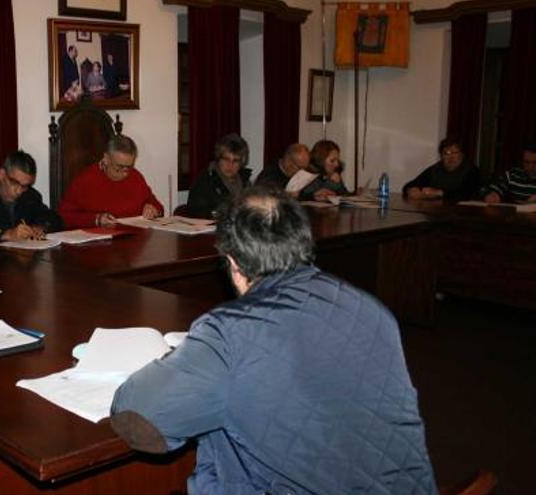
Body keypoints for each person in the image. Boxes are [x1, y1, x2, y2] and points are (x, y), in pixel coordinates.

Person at [110, 187, 437, 495]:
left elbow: (138, 417)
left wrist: (182, 359)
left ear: (234, 264)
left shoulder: (229, 333)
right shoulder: (371, 308)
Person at [59, 134, 164, 228]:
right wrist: (96, 220)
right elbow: (64, 217)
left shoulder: (135, 176)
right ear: (106, 159)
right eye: (119, 167)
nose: (125, 173)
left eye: (129, 167)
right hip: (99, 243)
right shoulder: (85, 180)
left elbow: (158, 206)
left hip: (134, 239)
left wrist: (152, 209)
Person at [186, 133, 252, 219]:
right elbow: (195, 212)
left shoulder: (245, 182)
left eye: (235, 161)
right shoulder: (205, 180)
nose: (230, 165)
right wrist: (221, 213)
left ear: (241, 163)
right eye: (226, 159)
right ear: (219, 158)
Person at [403, 137, 481, 201]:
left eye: (455, 152)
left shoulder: (472, 170)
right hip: (436, 213)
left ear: (462, 154)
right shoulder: (435, 169)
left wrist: (439, 192)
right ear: (441, 156)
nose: (451, 157)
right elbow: (409, 185)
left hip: (463, 215)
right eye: (446, 153)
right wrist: (412, 189)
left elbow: (467, 193)